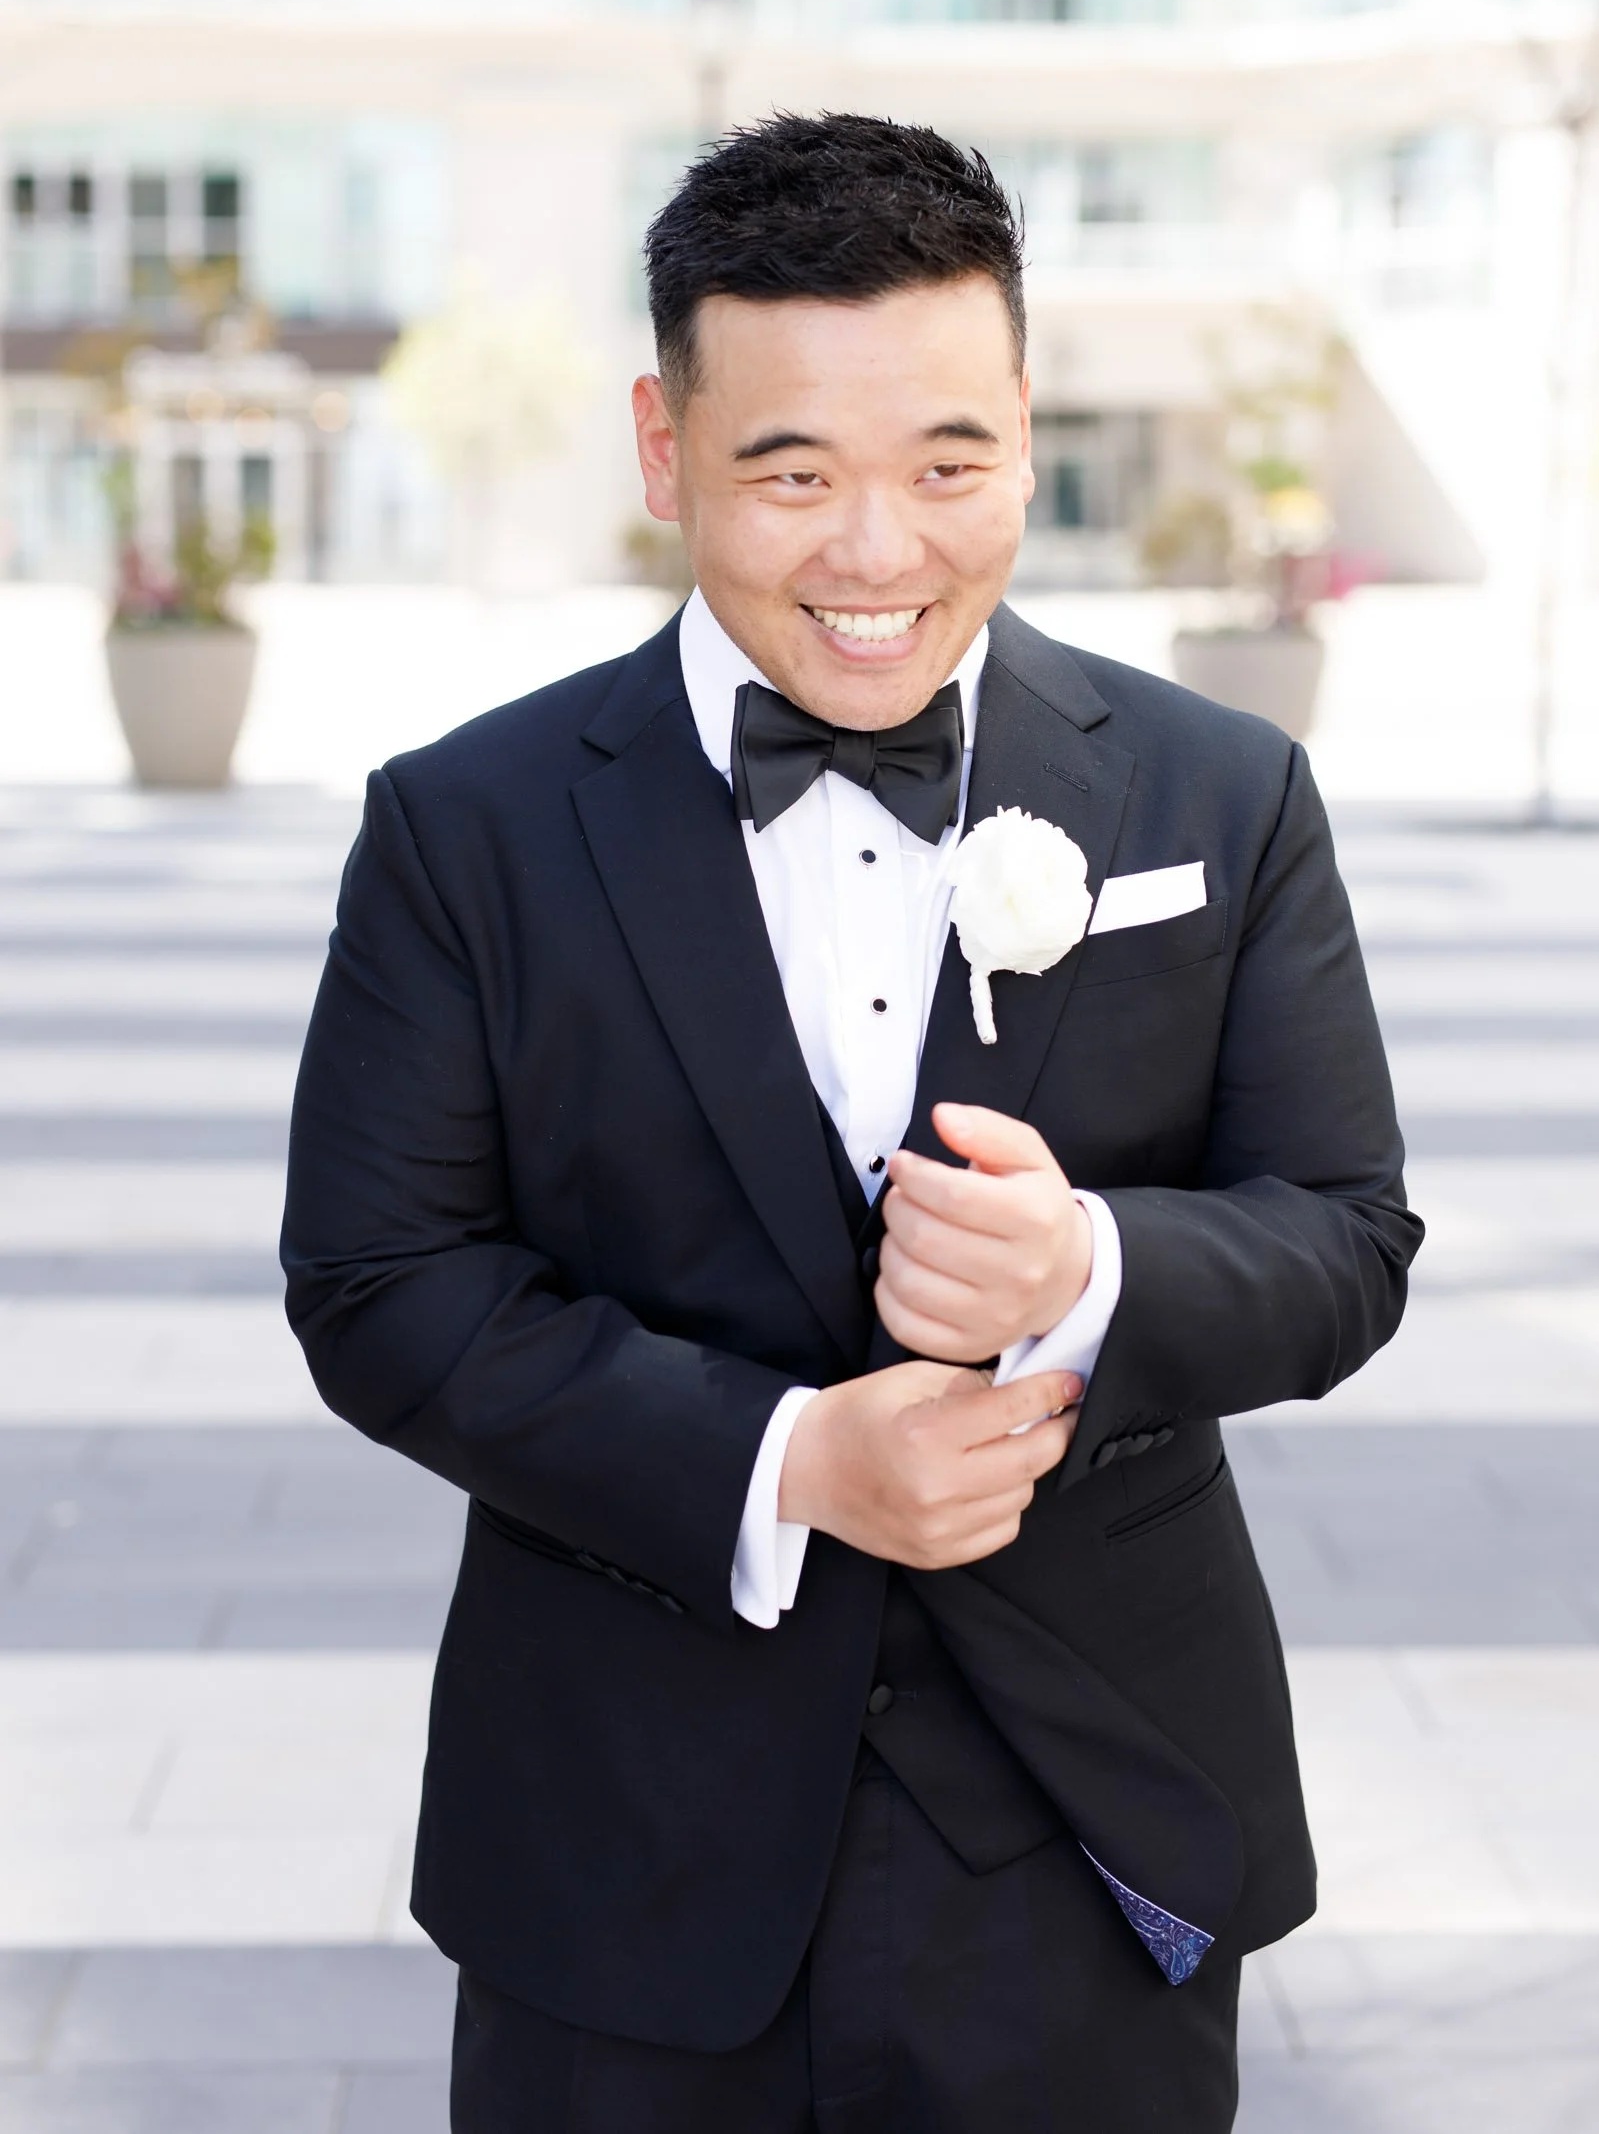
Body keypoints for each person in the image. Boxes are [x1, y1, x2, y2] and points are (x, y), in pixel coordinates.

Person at [282, 112, 1421, 2133]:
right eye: (788, 469)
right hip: (622, 1848)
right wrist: (791, 1456)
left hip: (1093, 1829)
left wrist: (1092, 1270)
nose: (877, 551)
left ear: (1020, 422)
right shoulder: (464, 827)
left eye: (946, 463)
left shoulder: (1219, 789)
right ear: (663, 448)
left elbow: (1341, 1235)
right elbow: (381, 1282)